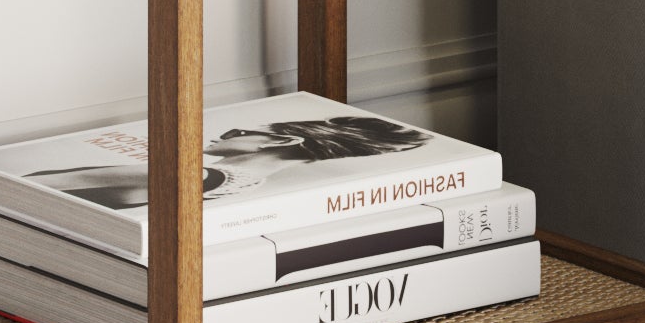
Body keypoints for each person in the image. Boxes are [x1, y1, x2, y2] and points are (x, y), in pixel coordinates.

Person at [26, 112, 427, 210]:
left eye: (237, 132)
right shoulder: (243, 186)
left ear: (283, 139)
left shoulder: (197, 173)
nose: (223, 133)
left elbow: (42, 190)